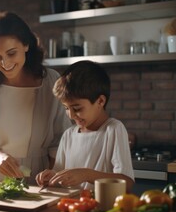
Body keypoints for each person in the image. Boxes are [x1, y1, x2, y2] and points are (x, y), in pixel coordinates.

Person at [0, 11, 71, 183]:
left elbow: (61, 138)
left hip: (38, 176)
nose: (5, 64)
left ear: (26, 45)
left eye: (11, 53)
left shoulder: (50, 81)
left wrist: (51, 174)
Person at [35, 60, 135, 192]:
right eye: (66, 108)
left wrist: (87, 175)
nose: (70, 115)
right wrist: (52, 177)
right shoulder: (68, 135)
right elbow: (60, 174)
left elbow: (127, 183)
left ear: (100, 101)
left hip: (99, 208)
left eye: (77, 108)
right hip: (71, 207)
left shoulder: (113, 129)